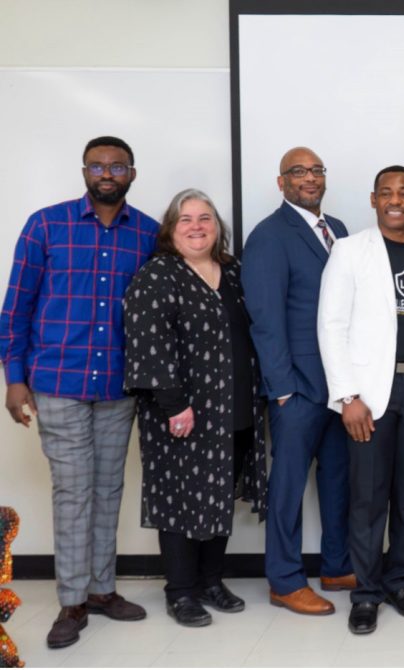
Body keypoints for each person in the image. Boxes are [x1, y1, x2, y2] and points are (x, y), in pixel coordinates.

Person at [0, 136, 155, 648]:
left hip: (117, 384)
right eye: (97, 165)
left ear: (132, 173)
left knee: (108, 489)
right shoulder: (46, 225)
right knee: (73, 491)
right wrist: (14, 379)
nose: (106, 173)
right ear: (84, 171)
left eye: (117, 166)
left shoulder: (149, 235)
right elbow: (15, 308)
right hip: (57, 383)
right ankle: (72, 601)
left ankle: (103, 590)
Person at [124, 189, 268, 627]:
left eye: (205, 218)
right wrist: (174, 405)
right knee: (180, 499)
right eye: (186, 219)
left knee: (218, 495)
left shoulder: (235, 271)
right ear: (171, 229)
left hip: (236, 410)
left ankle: (210, 581)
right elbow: (149, 344)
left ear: (217, 227)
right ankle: (180, 591)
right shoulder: (159, 275)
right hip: (183, 413)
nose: (197, 226)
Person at [241, 147, 354, 616]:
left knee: (338, 479)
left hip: (339, 384)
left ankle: (336, 564)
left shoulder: (340, 231)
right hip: (298, 387)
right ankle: (285, 580)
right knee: (287, 487)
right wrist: (283, 389)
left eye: (316, 170)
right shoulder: (269, 236)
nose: (309, 178)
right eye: (298, 171)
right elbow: (264, 317)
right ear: (281, 181)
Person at [318, 166, 404, 635]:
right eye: (387, 192)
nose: (396, 200)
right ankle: (365, 594)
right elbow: (331, 325)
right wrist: (347, 397)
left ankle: (398, 582)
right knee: (367, 500)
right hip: (368, 395)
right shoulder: (349, 251)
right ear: (373, 200)